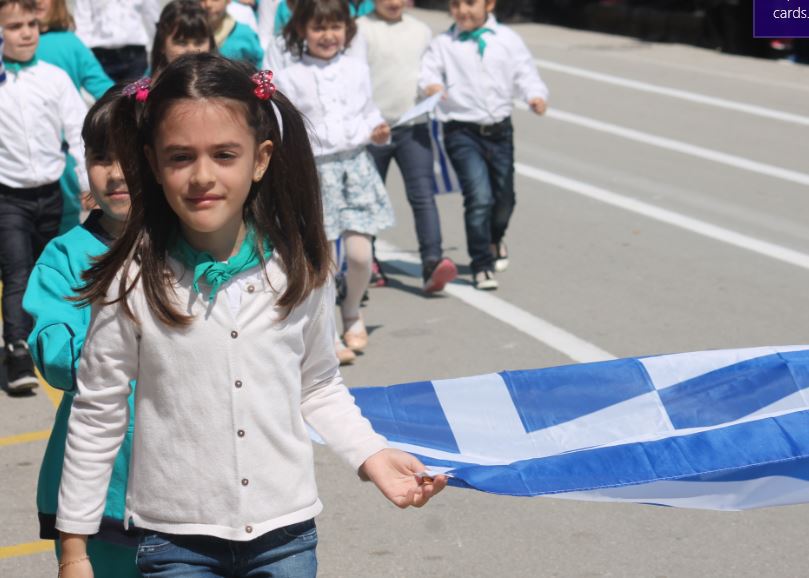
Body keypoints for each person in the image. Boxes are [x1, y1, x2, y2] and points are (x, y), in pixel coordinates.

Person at [54, 53, 446, 578]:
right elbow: (98, 411)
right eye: (180, 157)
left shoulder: (301, 268)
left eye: (224, 154)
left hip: (285, 537)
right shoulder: (131, 281)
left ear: (260, 160)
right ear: (152, 162)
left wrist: (371, 454)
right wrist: (74, 548)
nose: (202, 175)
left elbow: (318, 384)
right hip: (174, 542)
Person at [23, 84, 141, 578]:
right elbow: (55, 349)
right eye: (100, 157)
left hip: (188, 476)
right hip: (100, 478)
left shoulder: (193, 243)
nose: (115, 172)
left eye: (132, 156)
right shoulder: (66, 255)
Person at [276, 0, 393, 365]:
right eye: (318, 27)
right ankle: (326, 334)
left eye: (335, 27)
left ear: (347, 29)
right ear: (302, 30)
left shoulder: (357, 69)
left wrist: (378, 129)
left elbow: (368, 111)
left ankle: (352, 310)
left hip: (355, 167)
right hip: (315, 172)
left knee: (360, 255)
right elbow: (285, 126)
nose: (328, 35)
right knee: (322, 262)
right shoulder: (290, 76)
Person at [419, 0, 548, 290]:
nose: (462, 10)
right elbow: (427, 72)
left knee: (504, 198)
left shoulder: (507, 39)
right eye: (455, 4)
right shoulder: (443, 43)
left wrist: (535, 96)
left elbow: (525, 74)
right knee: (479, 197)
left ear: (489, 3)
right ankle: (481, 264)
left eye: (470, 3)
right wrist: (432, 86)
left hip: (500, 131)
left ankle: (494, 239)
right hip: (461, 131)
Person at [0, 0, 88, 394]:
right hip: (9, 197)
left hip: (51, 195)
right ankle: (17, 350)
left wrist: (87, 182)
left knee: (47, 267)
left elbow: (79, 132)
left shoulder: (54, 78)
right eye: (14, 26)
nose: (26, 32)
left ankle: (50, 340)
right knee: (17, 271)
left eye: (31, 24)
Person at [359, 0, 458, 294]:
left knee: (422, 195)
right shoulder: (359, 30)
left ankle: (432, 261)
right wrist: (366, 120)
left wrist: (433, 87)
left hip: (413, 127)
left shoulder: (420, 30)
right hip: (373, 131)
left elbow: (428, 71)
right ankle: (367, 260)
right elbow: (353, 80)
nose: (394, 2)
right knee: (368, 199)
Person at [34, 0, 113, 233]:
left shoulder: (69, 43)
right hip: (14, 159)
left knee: (64, 225)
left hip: (62, 157)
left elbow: (105, 89)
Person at [72, 0, 161, 82]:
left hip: (135, 55)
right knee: (105, 93)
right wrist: (85, 59)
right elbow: (82, 24)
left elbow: (152, 16)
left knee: (139, 93)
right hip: (100, 56)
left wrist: (157, 53)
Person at [151, 0, 216, 76]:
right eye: (182, 43)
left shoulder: (224, 82)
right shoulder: (150, 83)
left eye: (199, 42)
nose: (192, 50)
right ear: (162, 44)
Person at [201, 0, 264, 68]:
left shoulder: (244, 34)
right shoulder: (192, 33)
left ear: (228, 1)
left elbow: (259, 62)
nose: (208, 4)